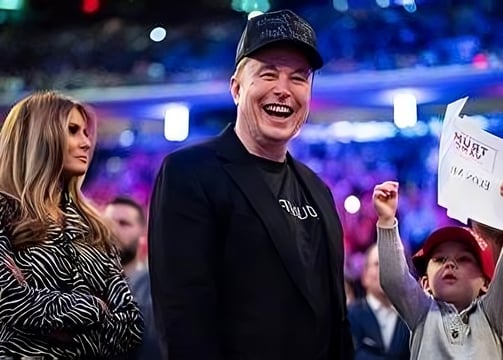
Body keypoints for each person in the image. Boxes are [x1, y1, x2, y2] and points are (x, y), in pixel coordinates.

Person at [148, 9, 354, 360]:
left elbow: (336, 318)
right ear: (236, 88)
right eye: (268, 74)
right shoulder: (190, 174)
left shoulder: (318, 189)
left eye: (299, 78)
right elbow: (184, 320)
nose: (283, 90)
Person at [0, 90, 143, 358]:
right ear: (39, 138)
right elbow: (10, 302)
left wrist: (48, 315)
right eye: (73, 131)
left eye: (86, 133)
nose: (86, 143)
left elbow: (130, 326)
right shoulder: (3, 213)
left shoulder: (94, 227)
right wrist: (97, 308)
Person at [372, 180, 503, 359]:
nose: (450, 264)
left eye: (464, 259)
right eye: (440, 259)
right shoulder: (422, 313)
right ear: (425, 283)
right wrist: (386, 221)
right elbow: (394, 281)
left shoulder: (492, 315)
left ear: (486, 283)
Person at [104, 196, 162, 360]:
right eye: (107, 223)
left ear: (143, 235)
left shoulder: (153, 292)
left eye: (123, 223)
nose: (112, 230)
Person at [348, 243, 410, 360]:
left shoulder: (411, 319)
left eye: (391, 265)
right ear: (365, 275)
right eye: (377, 264)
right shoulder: (350, 316)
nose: (385, 271)